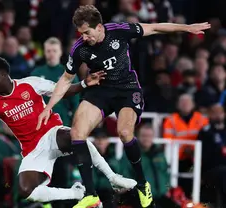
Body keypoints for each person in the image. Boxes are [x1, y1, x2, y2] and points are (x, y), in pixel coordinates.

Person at [36, 5, 210, 208]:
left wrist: (186, 28)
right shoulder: (79, 49)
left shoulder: (119, 30)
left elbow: (154, 28)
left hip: (127, 90)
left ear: (100, 27)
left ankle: (143, 185)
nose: (84, 37)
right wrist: (49, 107)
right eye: (80, 33)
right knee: (77, 133)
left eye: (87, 32)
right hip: (100, 90)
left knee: (125, 133)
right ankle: (90, 195)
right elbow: (65, 80)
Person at [0, 57, 137, 206]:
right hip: (33, 150)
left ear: (3, 75)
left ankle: (113, 178)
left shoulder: (30, 84)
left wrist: (84, 83)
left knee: (76, 135)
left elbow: (62, 91)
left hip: (52, 133)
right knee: (26, 191)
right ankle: (76, 194)